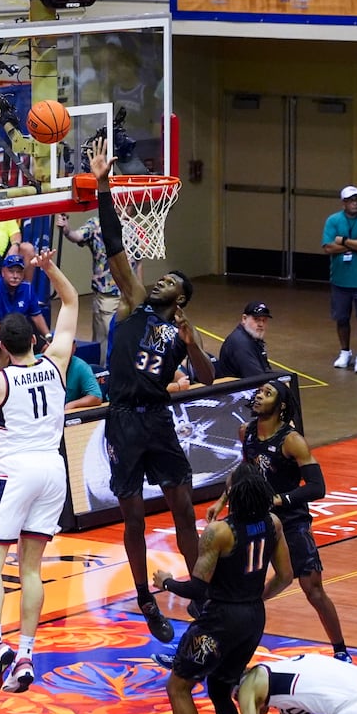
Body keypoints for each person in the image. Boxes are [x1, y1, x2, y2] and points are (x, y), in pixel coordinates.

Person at [89, 143, 215, 642]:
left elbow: (206, 378)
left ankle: (200, 590)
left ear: (180, 296)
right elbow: (115, 243)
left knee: (183, 506)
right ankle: (145, 597)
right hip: (123, 417)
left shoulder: (185, 329)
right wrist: (104, 186)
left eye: (168, 280)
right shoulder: (134, 302)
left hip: (158, 417)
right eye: (160, 277)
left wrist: (193, 347)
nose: (158, 281)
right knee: (135, 517)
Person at [154, 463, 293, 714]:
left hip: (219, 620)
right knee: (219, 687)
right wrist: (257, 598)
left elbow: (197, 588)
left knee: (178, 686)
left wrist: (166, 582)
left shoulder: (219, 532)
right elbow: (286, 576)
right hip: (253, 619)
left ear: (234, 494)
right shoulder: (273, 525)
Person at [0, 251, 77, 698]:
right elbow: (72, 304)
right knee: (31, 568)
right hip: (54, 470)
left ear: (1, 345)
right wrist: (49, 269)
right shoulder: (55, 363)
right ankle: (27, 653)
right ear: (35, 340)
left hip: (16, 469)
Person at [238, 381, 349, 657]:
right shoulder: (247, 432)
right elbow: (244, 473)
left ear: (281, 405)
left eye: (267, 393)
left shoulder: (292, 440)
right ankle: (227, 645)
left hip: (292, 522)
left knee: (313, 589)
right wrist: (222, 501)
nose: (259, 396)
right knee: (236, 587)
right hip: (259, 521)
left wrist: (280, 499)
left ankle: (341, 650)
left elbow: (317, 487)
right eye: (259, 392)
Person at [323, 186, 357, 373]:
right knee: (342, 318)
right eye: (350, 199)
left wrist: (343, 240)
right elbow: (328, 248)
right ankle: (345, 351)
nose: (355, 202)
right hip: (340, 279)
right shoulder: (333, 220)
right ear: (344, 202)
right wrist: (356, 243)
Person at [0, 254, 49, 339]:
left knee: (46, 347)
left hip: (22, 331)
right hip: (2, 334)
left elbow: (36, 316)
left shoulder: (28, 287)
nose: (15, 276)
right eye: (11, 271)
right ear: (3, 272)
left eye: (19, 272)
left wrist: (48, 336)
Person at [214, 301, 272, 380]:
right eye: (256, 319)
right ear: (244, 319)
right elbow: (257, 379)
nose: (261, 324)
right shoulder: (241, 344)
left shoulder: (252, 338)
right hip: (236, 389)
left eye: (264, 320)